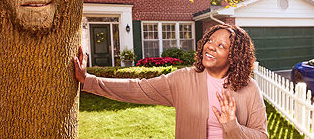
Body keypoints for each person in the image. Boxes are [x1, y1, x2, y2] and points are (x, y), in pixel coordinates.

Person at [74, 24, 268, 139]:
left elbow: (261, 135)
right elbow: (138, 88)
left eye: (221, 45)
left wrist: (232, 127)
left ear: (233, 56)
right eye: (210, 40)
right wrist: (88, 80)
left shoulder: (249, 89)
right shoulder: (183, 79)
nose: (210, 47)